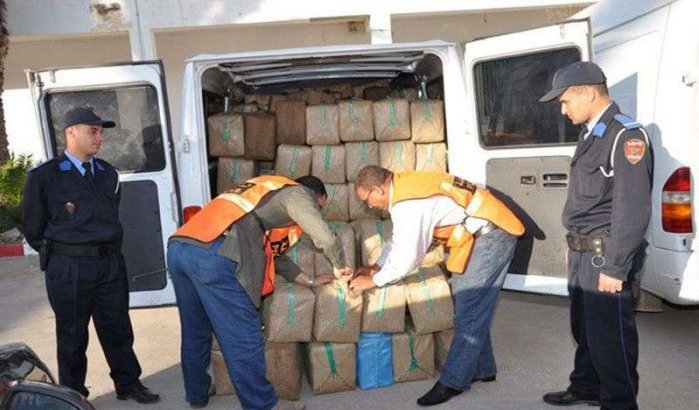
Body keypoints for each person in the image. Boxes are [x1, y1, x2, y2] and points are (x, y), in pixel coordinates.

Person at [167, 174, 352, 410]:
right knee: (245, 338)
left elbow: (272, 254)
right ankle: (263, 405)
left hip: (180, 247)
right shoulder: (298, 193)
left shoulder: (261, 193)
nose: (317, 212)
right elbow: (325, 236)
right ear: (315, 196)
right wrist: (339, 266)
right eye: (319, 207)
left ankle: (197, 393)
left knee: (196, 329)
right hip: (214, 255)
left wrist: (310, 280)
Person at [348, 166, 524, 406]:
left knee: (469, 310)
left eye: (367, 199)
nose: (369, 206)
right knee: (469, 306)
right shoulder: (405, 188)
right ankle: (482, 369)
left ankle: (453, 382)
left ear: (378, 189)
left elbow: (406, 259)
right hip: (477, 236)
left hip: (490, 236)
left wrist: (373, 280)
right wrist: (376, 266)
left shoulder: (407, 204)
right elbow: (399, 240)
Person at [22, 107, 160, 404]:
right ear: (71, 132)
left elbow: (110, 217)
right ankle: (73, 395)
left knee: (117, 327)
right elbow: (33, 229)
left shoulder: (108, 174)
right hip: (69, 266)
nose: (99, 137)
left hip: (109, 263)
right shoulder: (45, 177)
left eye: (101, 132)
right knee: (72, 335)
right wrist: (64, 253)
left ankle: (128, 383)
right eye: (93, 131)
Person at [539, 61, 653, 410]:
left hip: (606, 254)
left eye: (565, 101)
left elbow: (632, 210)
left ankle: (619, 402)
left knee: (610, 338)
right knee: (586, 329)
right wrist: (574, 245)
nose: (563, 109)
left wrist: (616, 267)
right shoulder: (592, 133)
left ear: (588, 93)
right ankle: (587, 386)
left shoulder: (626, 136)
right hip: (584, 251)